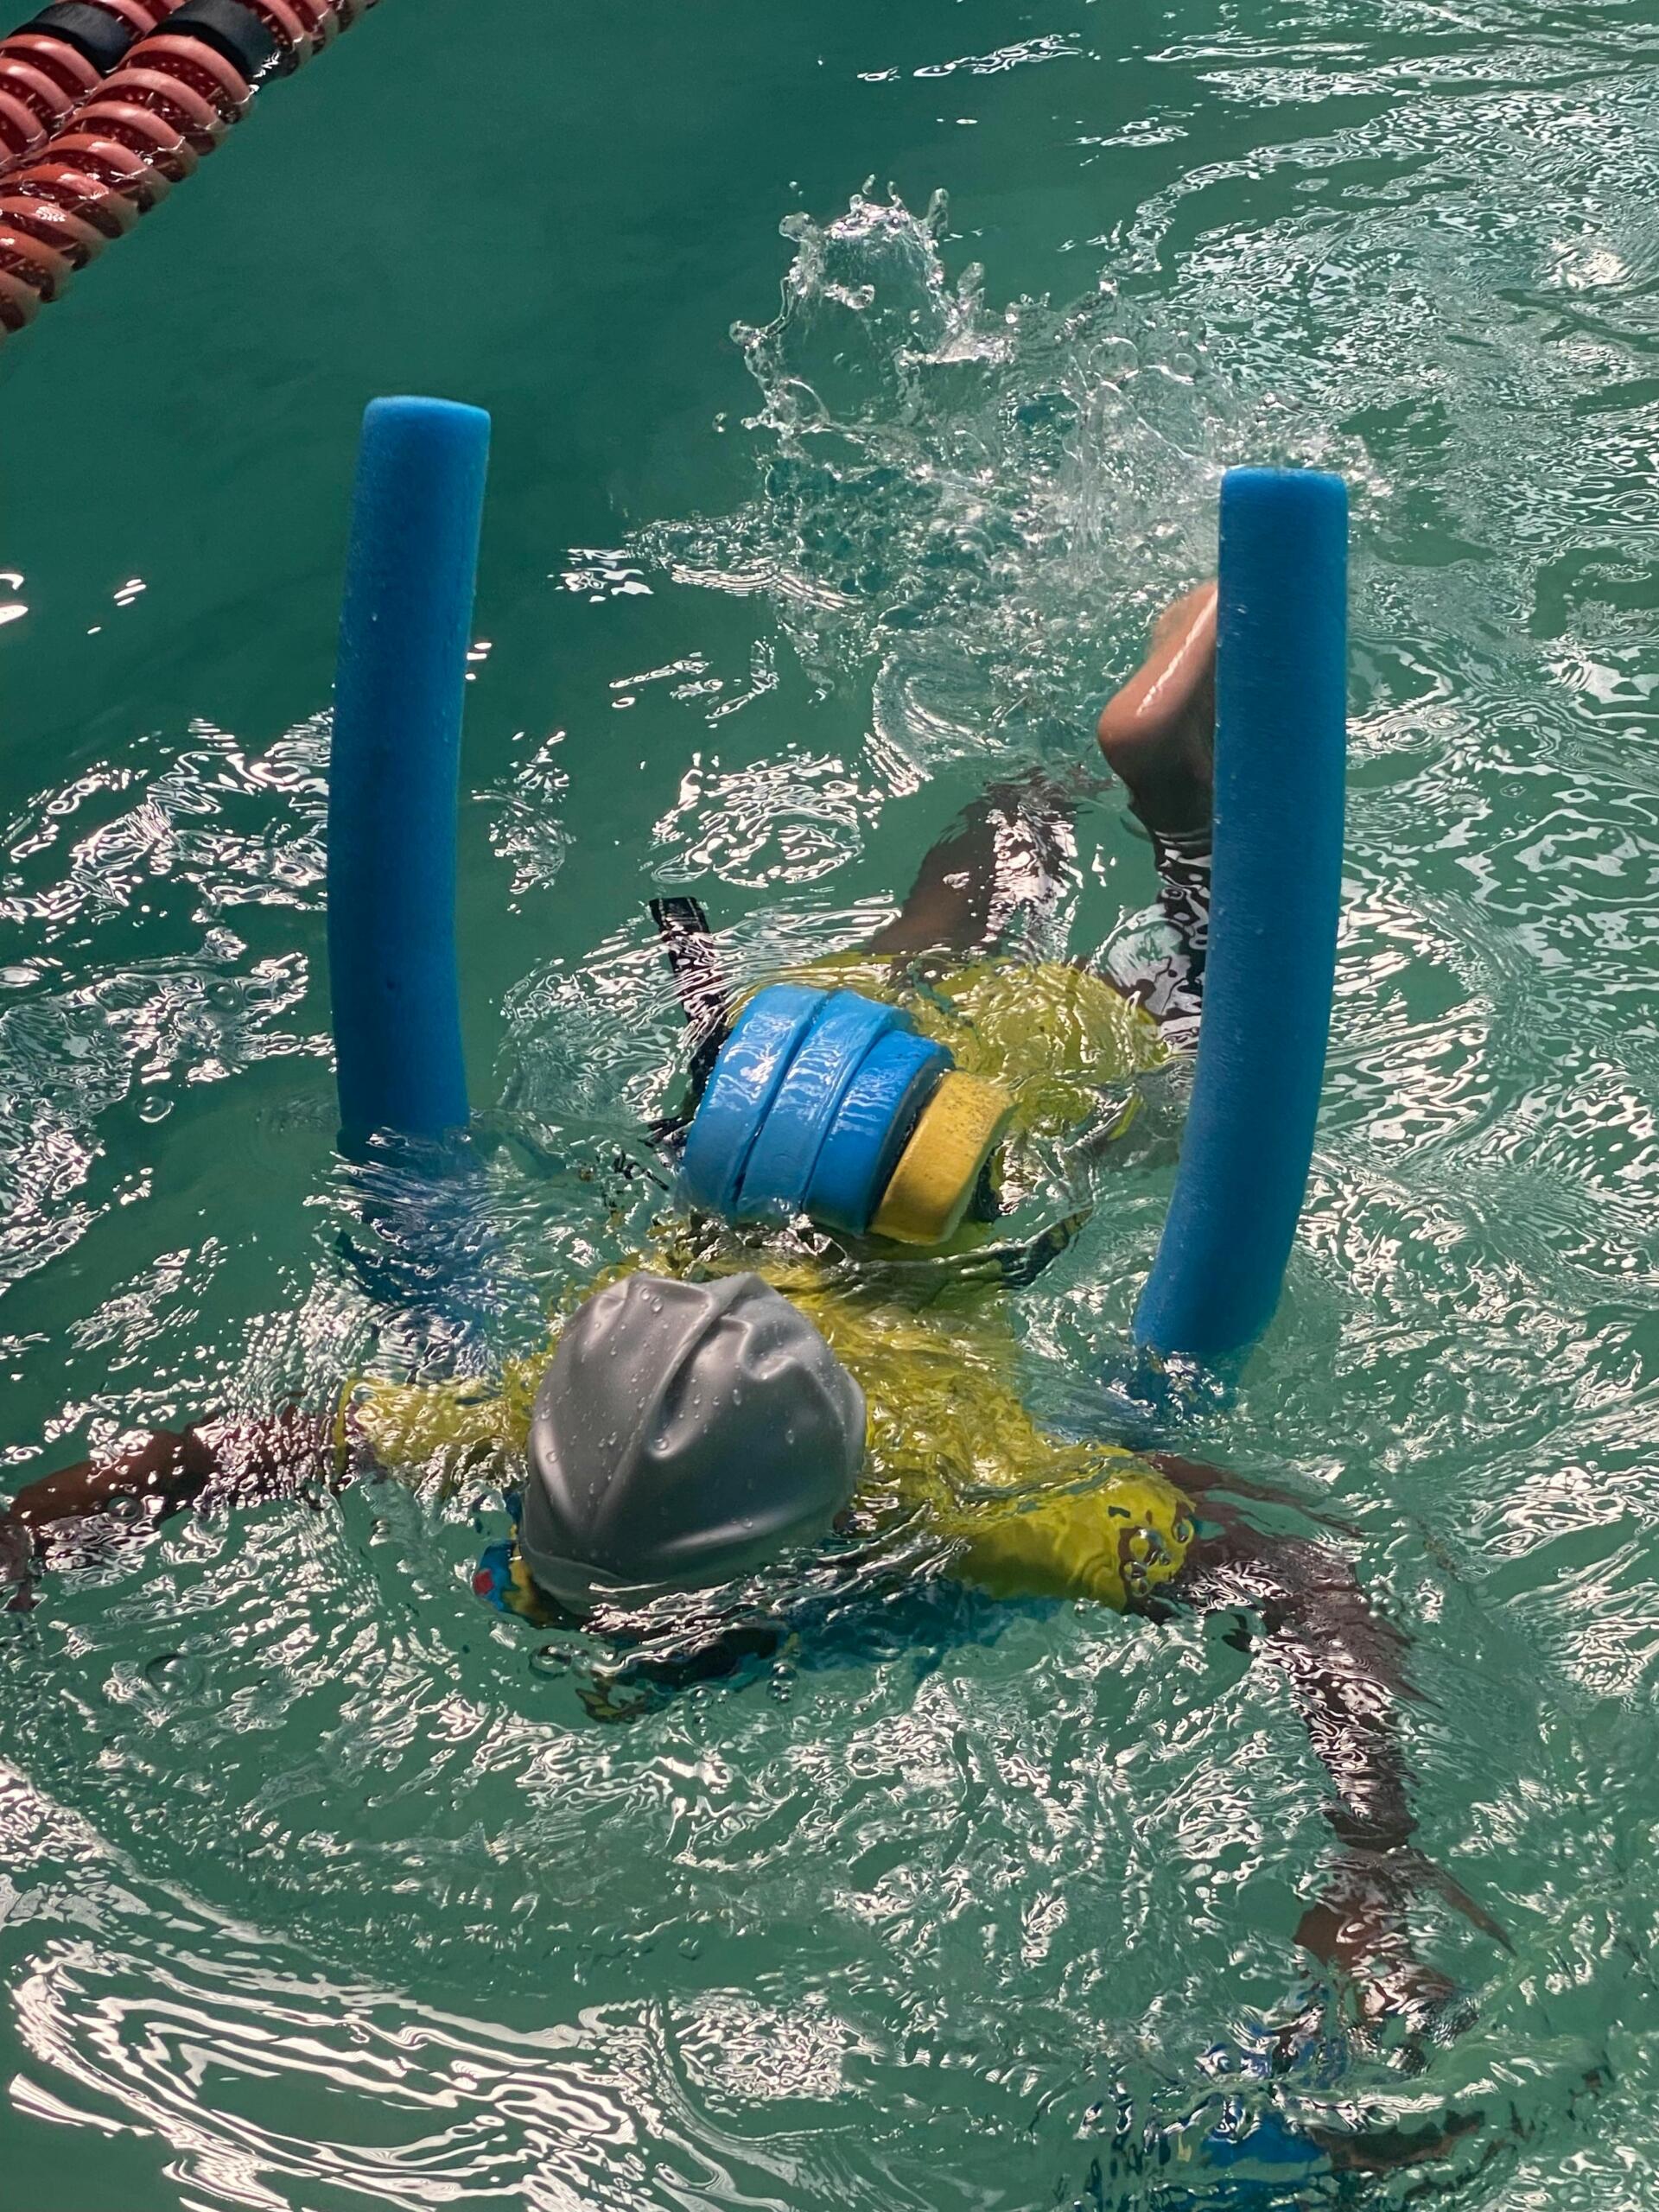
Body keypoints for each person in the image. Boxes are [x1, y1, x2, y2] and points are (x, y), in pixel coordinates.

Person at [1, 586, 1502, 2154]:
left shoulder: (952, 1481)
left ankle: (1152, 788)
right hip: (784, 1072)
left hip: (965, 1104)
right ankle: (1055, 774)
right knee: (938, 949)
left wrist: (1376, 1882)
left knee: (1195, 1019)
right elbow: (265, 1448)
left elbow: (1299, 1575)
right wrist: (31, 1522)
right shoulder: (554, 1414)